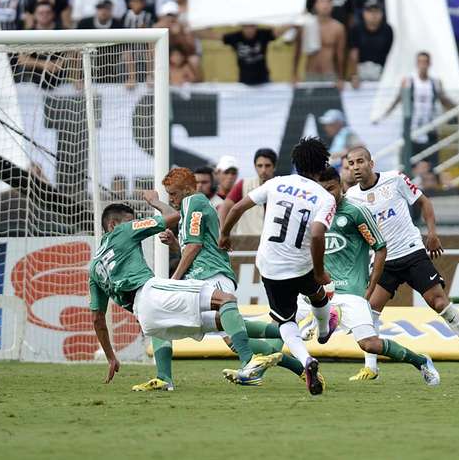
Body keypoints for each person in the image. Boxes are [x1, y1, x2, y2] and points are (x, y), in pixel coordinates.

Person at [89, 195, 280, 391]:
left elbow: (97, 319)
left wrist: (111, 356)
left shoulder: (94, 268)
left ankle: (164, 379)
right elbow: (174, 216)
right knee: (226, 302)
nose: (135, 223)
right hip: (151, 292)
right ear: (113, 224)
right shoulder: (124, 231)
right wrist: (156, 202)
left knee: (219, 325)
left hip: (144, 318)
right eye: (131, 221)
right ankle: (253, 359)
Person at [345, 146, 459, 381]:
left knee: (439, 302)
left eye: (360, 161)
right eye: (351, 164)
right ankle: (371, 368)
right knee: (369, 311)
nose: (356, 167)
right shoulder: (351, 196)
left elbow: (425, 203)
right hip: (383, 260)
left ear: (371, 163)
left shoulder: (395, 179)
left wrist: (432, 234)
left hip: (411, 252)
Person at [220, 137, 339, 396]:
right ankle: (324, 330)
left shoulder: (277, 183)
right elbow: (318, 235)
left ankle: (306, 360)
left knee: (285, 321)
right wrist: (319, 271)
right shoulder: (325, 197)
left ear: (295, 162)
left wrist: (224, 234)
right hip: (301, 264)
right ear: (322, 166)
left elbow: (238, 207)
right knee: (318, 293)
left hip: (271, 266)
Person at [317, 166, 439, 384]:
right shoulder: (315, 215)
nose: (328, 195)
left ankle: (420, 361)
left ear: (341, 187)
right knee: (284, 324)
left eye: (331, 189)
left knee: (369, 344)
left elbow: (380, 248)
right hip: (321, 290)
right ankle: (258, 363)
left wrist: (370, 287)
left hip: (352, 290)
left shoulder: (355, 211)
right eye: (322, 190)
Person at [377, 52, 454, 166]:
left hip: (430, 128)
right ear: (417, 64)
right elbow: (398, 99)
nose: (423, 65)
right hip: (412, 128)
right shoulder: (408, 81)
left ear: (429, 64)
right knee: (408, 164)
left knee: (432, 164)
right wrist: (384, 115)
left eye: (425, 62)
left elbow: (443, 99)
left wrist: (456, 107)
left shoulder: (435, 82)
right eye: (420, 62)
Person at [219, 148, 277, 235]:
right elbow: (224, 208)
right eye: (260, 166)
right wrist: (224, 234)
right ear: (255, 166)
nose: (263, 170)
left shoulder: (282, 186)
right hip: (247, 243)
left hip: (272, 243)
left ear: (274, 166)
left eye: (267, 165)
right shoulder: (243, 184)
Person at [199, 25, 278, 86]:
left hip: (264, 81)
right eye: (246, 27)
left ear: (256, 27)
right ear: (242, 27)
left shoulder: (263, 34)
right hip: (244, 82)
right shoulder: (236, 37)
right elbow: (214, 36)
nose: (249, 30)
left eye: (252, 27)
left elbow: (278, 32)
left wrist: (290, 22)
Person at [297, 0, 346, 86]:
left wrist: (340, 77)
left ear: (332, 5)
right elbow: (297, 50)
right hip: (311, 73)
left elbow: (340, 55)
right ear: (315, 5)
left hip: (329, 74)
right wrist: (294, 74)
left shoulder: (338, 27)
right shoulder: (307, 25)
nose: (325, 5)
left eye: (328, 2)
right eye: (321, 1)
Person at [348, 0, 393, 86]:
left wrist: (388, 74)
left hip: (381, 71)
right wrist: (354, 74)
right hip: (360, 69)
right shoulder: (356, 29)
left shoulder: (387, 30)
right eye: (370, 11)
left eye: (376, 11)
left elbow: (390, 53)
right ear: (364, 13)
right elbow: (353, 54)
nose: (373, 15)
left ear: (381, 14)